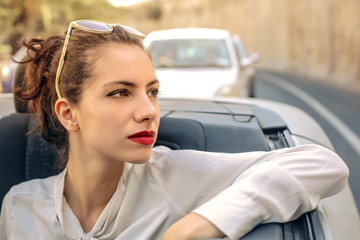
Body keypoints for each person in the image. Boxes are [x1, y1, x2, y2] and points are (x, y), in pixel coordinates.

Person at [0, 20, 349, 240]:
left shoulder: (174, 176)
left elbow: (323, 164)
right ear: (69, 114)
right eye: (120, 93)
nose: (150, 111)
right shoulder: (19, 207)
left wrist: (196, 225)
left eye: (152, 92)